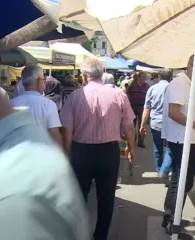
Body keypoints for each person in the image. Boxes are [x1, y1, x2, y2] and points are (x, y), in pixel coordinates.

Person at [0, 2, 89, 239]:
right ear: (40, 83)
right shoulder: (41, 108)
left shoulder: (15, 198)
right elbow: (58, 136)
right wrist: (65, 160)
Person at [60, 57, 136, 240]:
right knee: (106, 198)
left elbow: (67, 130)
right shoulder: (118, 94)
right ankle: (100, 236)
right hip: (108, 152)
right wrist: (131, 147)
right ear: (101, 74)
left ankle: (78, 234)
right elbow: (129, 126)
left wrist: (67, 153)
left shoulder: (75, 97)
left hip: (81, 152)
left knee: (79, 197)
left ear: (84, 76)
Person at [161, 54, 195, 238]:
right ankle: (172, 221)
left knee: (180, 180)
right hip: (180, 140)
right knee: (180, 181)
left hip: (183, 139)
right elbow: (173, 112)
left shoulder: (187, 84)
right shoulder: (180, 83)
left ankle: (171, 217)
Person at [11, 65, 63, 147]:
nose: (44, 82)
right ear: (39, 81)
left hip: (19, 155)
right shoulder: (48, 105)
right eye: (43, 80)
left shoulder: (11, 104)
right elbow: (55, 135)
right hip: (42, 154)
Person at [140, 69, 172, 178]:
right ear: (170, 77)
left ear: (158, 77)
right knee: (170, 149)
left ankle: (160, 171)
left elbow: (147, 109)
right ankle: (165, 169)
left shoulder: (152, 89)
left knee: (157, 149)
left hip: (156, 123)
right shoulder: (173, 89)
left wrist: (142, 125)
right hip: (171, 124)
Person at [127, 71, 150, 148]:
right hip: (132, 107)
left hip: (142, 108)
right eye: (143, 77)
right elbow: (127, 94)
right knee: (132, 125)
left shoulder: (147, 86)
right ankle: (132, 139)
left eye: (145, 77)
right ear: (139, 77)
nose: (144, 79)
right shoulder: (132, 84)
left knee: (142, 125)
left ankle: (140, 142)